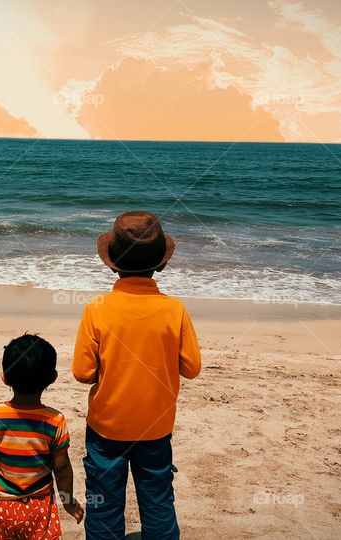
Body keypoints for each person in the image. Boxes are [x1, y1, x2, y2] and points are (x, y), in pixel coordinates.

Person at [73, 211, 202, 539]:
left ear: (113, 263)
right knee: (158, 499)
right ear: (159, 263)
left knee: (103, 503)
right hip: (156, 426)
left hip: (106, 427)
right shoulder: (174, 310)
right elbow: (192, 368)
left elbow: (82, 372)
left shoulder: (97, 309)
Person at [0, 334, 85, 539]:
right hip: (38, 507)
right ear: (52, 378)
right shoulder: (55, 420)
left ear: (4, 377)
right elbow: (62, 468)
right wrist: (68, 501)